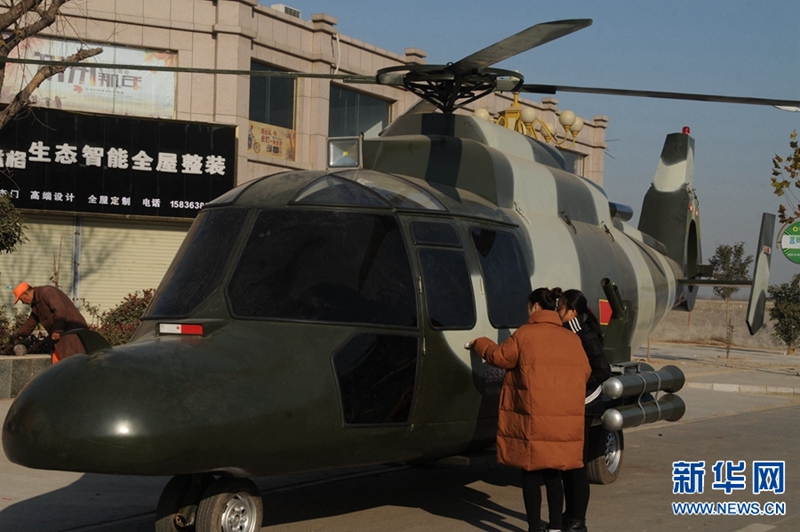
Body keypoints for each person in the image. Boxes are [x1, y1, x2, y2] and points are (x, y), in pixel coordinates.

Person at [470, 288, 591, 532]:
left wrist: (480, 343)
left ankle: (534, 528)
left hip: (533, 417)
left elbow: (501, 357)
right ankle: (555, 527)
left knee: (531, 473)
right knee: (553, 473)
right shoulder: (571, 338)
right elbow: (586, 371)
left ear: (535, 307)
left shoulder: (525, 334)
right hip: (561, 419)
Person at [554, 288, 612, 532]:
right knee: (568, 465)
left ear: (572, 312)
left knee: (577, 465)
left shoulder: (581, 333)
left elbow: (603, 370)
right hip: (570, 406)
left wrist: (576, 386)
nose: (557, 311)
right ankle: (570, 516)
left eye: (560, 307)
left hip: (584, 405)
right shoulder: (566, 331)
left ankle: (578, 521)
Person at [7, 282, 88, 363]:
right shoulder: (37, 303)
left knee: (70, 363)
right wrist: (18, 336)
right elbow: (32, 321)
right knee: (59, 363)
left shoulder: (47, 292)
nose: (23, 302)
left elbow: (60, 309)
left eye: (21, 299)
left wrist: (57, 330)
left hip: (72, 333)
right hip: (64, 336)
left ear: (26, 294)